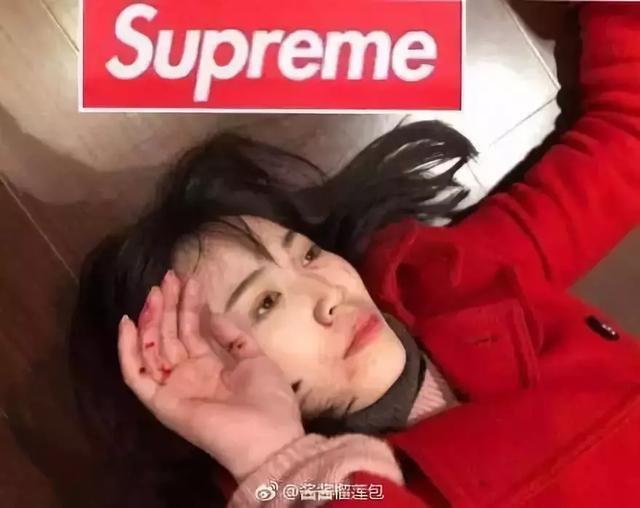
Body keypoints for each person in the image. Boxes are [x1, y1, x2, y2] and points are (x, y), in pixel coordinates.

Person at [69, 3, 640, 507]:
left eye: (308, 255)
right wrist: (273, 461)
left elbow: (625, 140)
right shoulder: (312, 492)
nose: (329, 294)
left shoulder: (455, 276)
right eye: (266, 303)